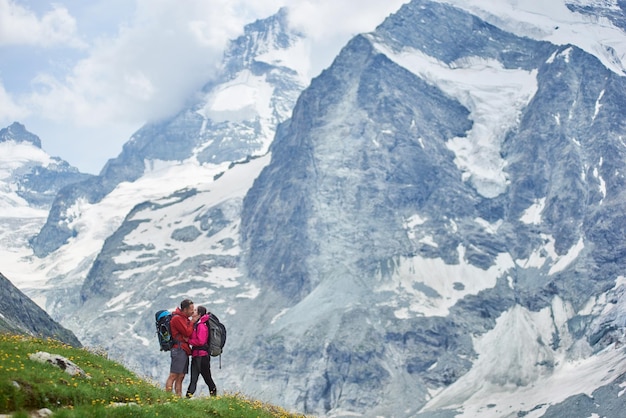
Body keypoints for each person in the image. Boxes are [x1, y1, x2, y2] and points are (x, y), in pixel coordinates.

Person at [165, 299, 197, 397]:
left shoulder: (184, 319)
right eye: (191, 309)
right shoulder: (177, 319)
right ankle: (168, 397)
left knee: (181, 376)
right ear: (185, 309)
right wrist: (192, 322)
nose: (193, 311)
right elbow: (187, 332)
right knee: (174, 374)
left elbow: (188, 333)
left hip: (184, 349)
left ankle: (178, 397)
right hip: (178, 349)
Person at [186, 305, 217, 397]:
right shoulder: (198, 324)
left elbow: (201, 341)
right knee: (205, 379)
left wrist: (188, 341)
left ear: (199, 314)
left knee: (198, 379)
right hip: (199, 356)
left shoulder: (201, 326)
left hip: (201, 357)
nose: (193, 312)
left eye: (195, 310)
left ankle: (186, 399)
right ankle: (214, 397)